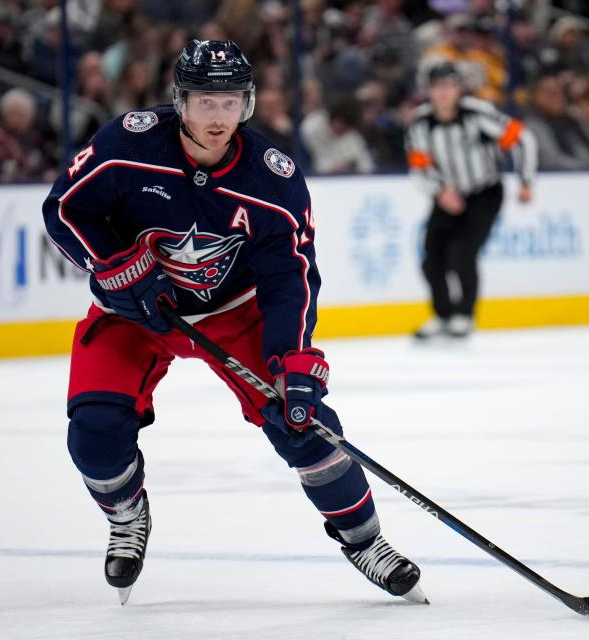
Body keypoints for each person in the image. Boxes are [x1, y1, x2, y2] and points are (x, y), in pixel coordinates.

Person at [41, 39, 426, 606]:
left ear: (246, 104)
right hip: (133, 313)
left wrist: (293, 359)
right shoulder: (127, 143)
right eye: (203, 102)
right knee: (94, 431)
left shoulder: (273, 179)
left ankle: (365, 541)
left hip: (233, 314)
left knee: (306, 423)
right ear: (180, 102)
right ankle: (126, 514)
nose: (217, 118)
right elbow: (64, 209)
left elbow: (289, 277)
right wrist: (114, 265)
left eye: (229, 103)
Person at [405, 61, 538, 339]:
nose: (443, 93)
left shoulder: (477, 115)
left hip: (484, 193)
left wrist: (525, 181)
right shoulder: (420, 122)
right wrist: (440, 191)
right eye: (437, 86)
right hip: (446, 195)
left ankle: (464, 315)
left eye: (448, 85)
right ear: (429, 91)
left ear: (458, 89)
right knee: (431, 258)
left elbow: (523, 138)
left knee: (462, 254)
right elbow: (418, 167)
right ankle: (443, 315)